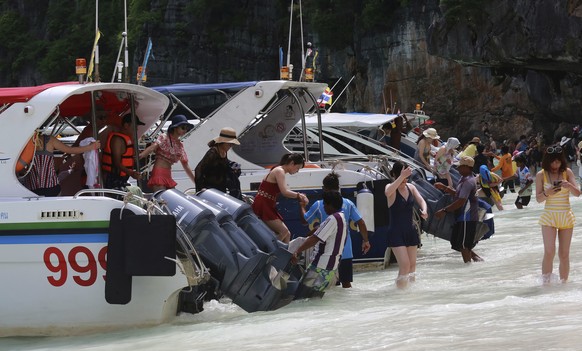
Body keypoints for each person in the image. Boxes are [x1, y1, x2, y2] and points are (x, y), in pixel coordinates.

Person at [299, 172, 371, 288]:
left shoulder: (320, 204)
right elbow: (361, 222)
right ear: (338, 187)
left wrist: (302, 206)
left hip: (326, 253)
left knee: (328, 286)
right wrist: (366, 240)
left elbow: (305, 221)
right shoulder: (348, 203)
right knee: (346, 284)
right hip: (345, 250)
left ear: (324, 188)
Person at [535, 145, 581, 283]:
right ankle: (546, 284)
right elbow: (538, 199)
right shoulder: (541, 174)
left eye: (558, 161)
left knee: (564, 254)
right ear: (547, 161)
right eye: (552, 161)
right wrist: (546, 193)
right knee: (549, 251)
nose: (555, 164)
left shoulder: (567, 172)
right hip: (549, 216)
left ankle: (563, 285)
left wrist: (569, 185)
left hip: (566, 216)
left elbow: (578, 193)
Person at [290, 191, 347, 293]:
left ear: (330, 205)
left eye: (325, 204)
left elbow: (315, 238)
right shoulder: (342, 218)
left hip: (320, 267)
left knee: (302, 296)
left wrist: (297, 251)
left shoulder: (332, 219)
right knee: (313, 297)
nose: (324, 207)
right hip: (330, 268)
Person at [384, 161, 428, 288]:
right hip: (396, 232)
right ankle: (400, 293)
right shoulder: (390, 188)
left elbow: (421, 200)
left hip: (410, 230)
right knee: (405, 265)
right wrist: (401, 177)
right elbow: (387, 193)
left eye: (406, 177)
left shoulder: (411, 187)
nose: (405, 180)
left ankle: (411, 292)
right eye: (403, 177)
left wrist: (424, 210)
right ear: (397, 176)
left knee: (412, 265)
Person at [434, 156, 483, 263]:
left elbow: (461, 201)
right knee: (457, 243)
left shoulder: (468, 182)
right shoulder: (463, 179)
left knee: (464, 245)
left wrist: (444, 210)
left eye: (460, 167)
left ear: (467, 167)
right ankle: (476, 260)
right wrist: (445, 188)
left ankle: (468, 268)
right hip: (462, 217)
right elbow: (458, 195)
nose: (458, 169)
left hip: (467, 217)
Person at [252, 153, 309, 243]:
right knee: (284, 232)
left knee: (287, 234)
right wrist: (299, 195)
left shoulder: (278, 170)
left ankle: (286, 256)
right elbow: (284, 192)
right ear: (292, 163)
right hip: (264, 205)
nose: (297, 171)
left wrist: (298, 195)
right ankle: (270, 252)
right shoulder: (279, 171)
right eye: (297, 168)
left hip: (267, 204)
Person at [24, 133, 100, 196]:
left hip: (32, 188)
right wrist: (91, 147)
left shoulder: (25, 142)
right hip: (52, 187)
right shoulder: (49, 140)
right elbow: (71, 150)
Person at [139, 114, 196, 192]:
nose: (185, 130)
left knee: (171, 200)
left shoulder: (180, 145)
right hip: (159, 173)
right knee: (162, 200)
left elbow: (185, 165)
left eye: (187, 128)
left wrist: (196, 183)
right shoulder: (164, 137)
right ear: (175, 128)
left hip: (168, 175)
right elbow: (153, 146)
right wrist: (141, 155)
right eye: (183, 127)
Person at [194, 127, 242, 199]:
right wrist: (201, 188)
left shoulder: (224, 151)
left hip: (221, 188)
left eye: (232, 144)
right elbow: (198, 169)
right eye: (229, 143)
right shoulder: (213, 152)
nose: (231, 146)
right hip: (211, 189)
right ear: (223, 142)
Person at [102, 114, 143, 190]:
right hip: (113, 178)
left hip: (123, 178)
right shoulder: (117, 140)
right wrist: (131, 173)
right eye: (135, 126)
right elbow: (116, 163)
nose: (137, 129)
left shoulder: (129, 139)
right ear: (126, 125)